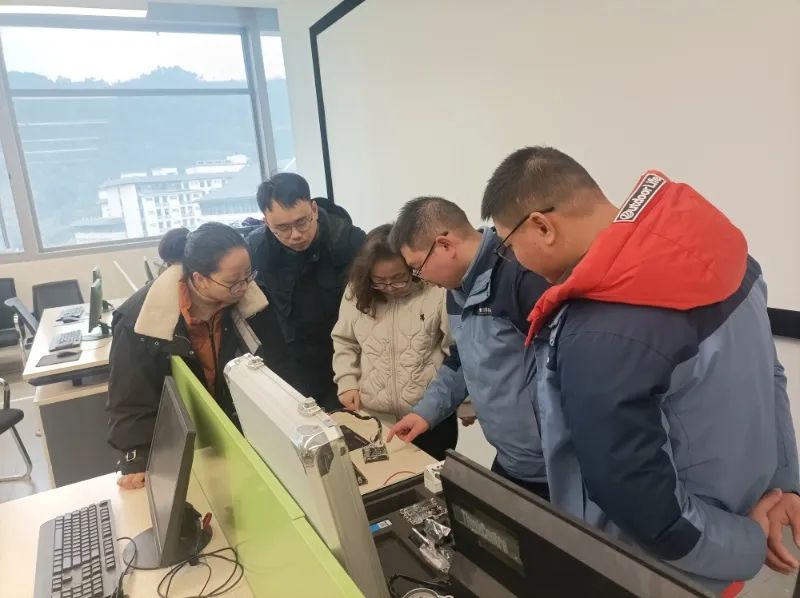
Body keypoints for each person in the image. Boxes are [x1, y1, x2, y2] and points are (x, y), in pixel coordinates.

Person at [480, 146, 799, 591]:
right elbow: (771, 377)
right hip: (728, 530)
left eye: (509, 247)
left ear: (542, 226)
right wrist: (784, 487)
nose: (516, 262)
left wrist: (749, 541)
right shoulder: (728, 254)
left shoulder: (600, 332)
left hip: (662, 569)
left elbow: (637, 498)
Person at [386, 197, 551, 499]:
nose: (422, 279)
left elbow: (567, 373)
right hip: (512, 460)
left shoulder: (520, 276)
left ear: (445, 245)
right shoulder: (456, 289)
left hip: (553, 468)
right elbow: (462, 361)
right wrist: (425, 413)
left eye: (417, 268)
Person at [107, 223, 268, 490]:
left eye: (247, 275)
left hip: (237, 438)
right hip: (181, 445)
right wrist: (136, 458)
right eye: (232, 282)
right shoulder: (139, 320)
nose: (243, 287)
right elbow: (130, 396)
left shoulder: (250, 303)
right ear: (199, 279)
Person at [332, 224, 458, 460]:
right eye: (380, 281)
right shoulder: (356, 291)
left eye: (399, 279)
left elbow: (457, 351)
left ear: (413, 268)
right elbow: (345, 340)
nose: (390, 288)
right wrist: (347, 381)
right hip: (375, 419)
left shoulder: (436, 290)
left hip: (430, 417)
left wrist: (466, 403)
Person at [246, 173, 366, 411]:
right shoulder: (256, 250)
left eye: (302, 222)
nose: (295, 235)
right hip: (289, 369)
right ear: (265, 221)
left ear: (314, 209)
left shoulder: (350, 242)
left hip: (344, 366)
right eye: (282, 228)